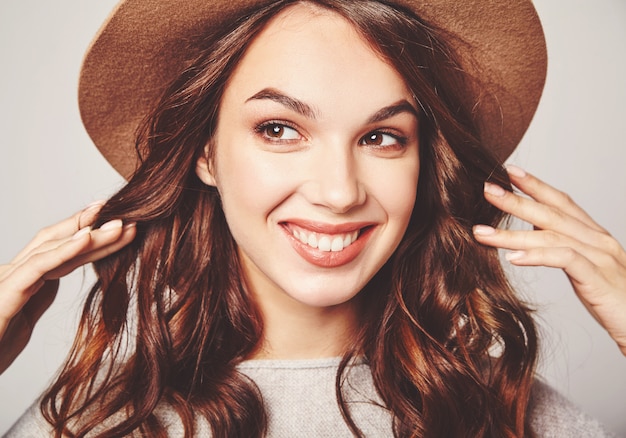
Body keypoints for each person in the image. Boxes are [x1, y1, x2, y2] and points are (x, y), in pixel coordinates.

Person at [1, 0, 625, 436]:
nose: (338, 192)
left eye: (382, 137)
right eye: (279, 129)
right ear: (205, 154)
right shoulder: (94, 423)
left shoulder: (509, 416)